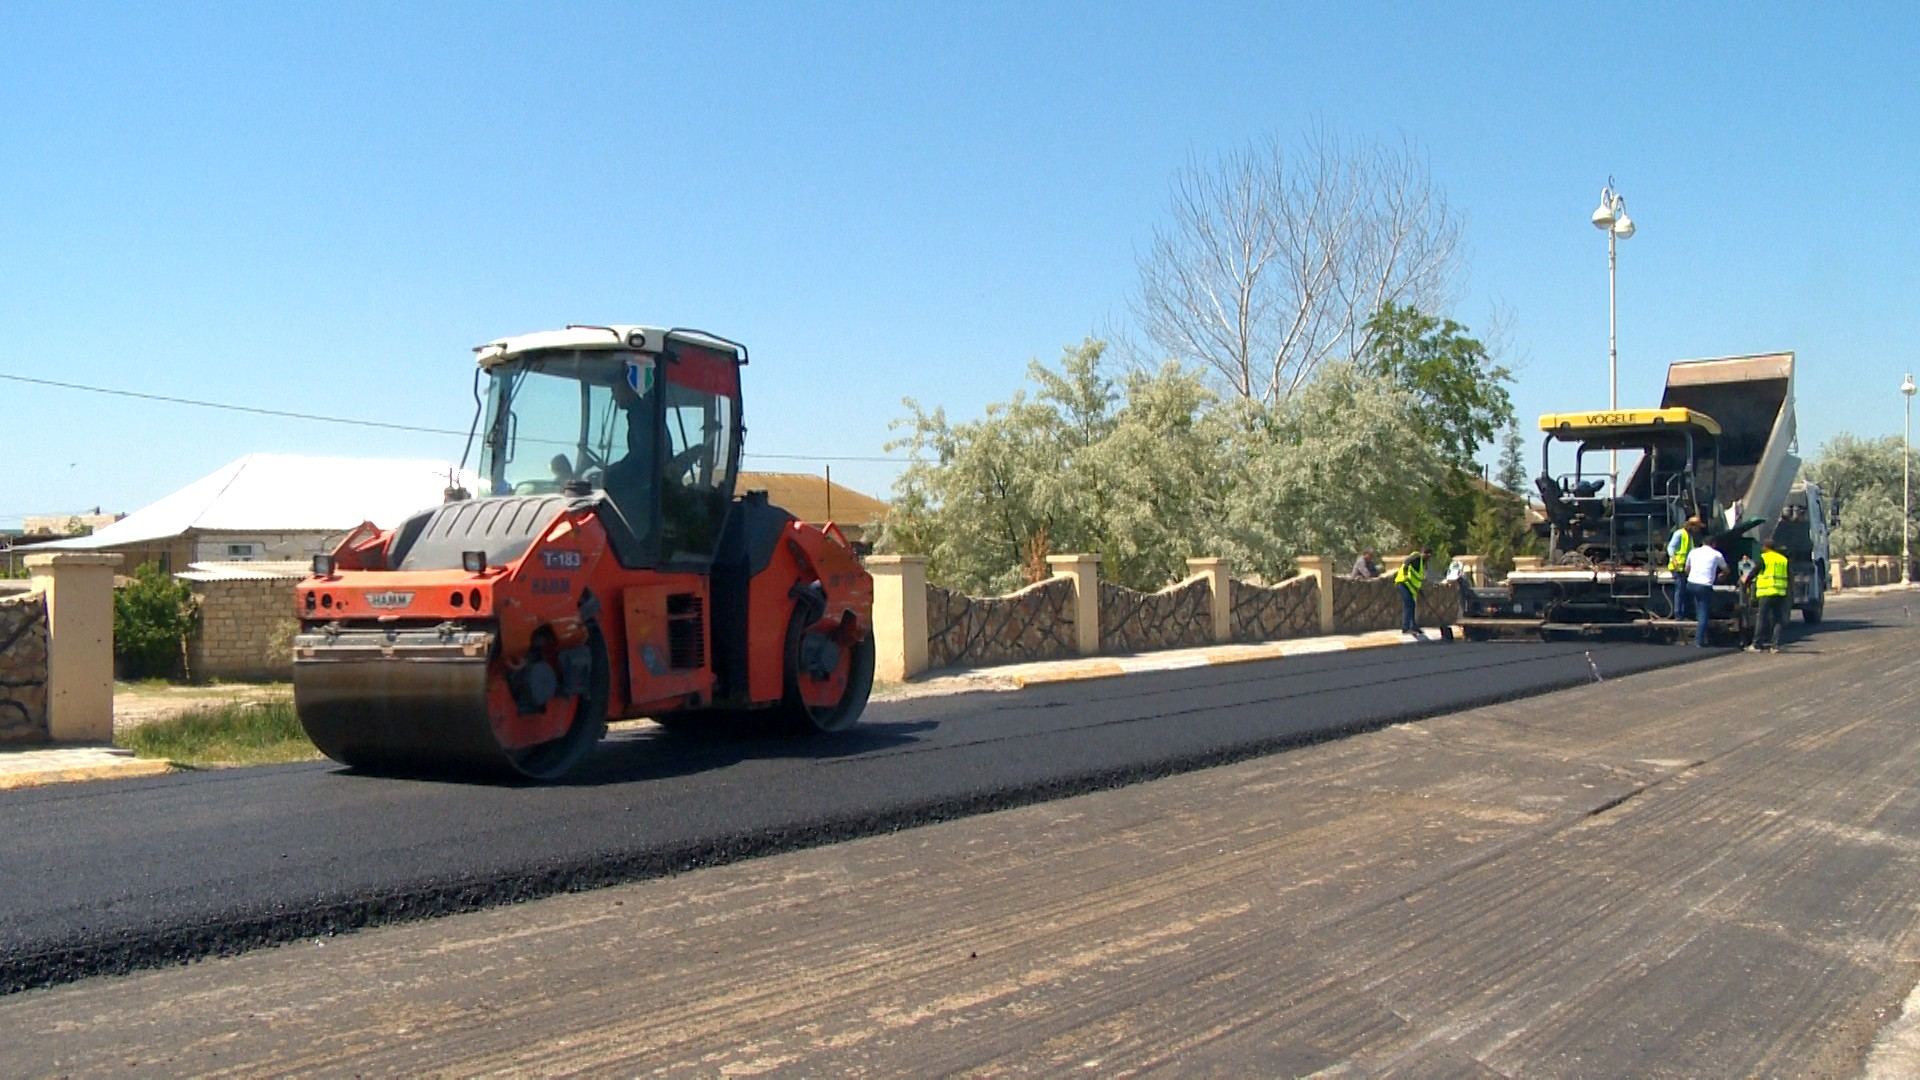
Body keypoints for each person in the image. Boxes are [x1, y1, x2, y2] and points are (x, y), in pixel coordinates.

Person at [1746, 537, 1792, 653]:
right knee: (1777, 619)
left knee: (1762, 618)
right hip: (1780, 593)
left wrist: (1745, 581)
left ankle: (1757, 644)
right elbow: (1790, 577)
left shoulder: (1764, 558)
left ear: (1765, 547)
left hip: (1766, 593)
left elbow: (1754, 572)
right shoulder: (1783, 559)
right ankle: (1775, 646)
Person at [1682, 537, 1728, 647]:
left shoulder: (1693, 552)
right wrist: (1721, 575)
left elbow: (1686, 569)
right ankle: (1699, 641)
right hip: (1705, 585)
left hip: (1691, 584)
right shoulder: (1716, 554)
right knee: (1704, 612)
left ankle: (1697, 629)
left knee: (1698, 607)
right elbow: (1726, 569)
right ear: (1714, 544)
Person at [1394, 546, 1433, 639]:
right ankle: (1406, 628)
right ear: (1425, 553)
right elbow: (1406, 562)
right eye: (1428, 555)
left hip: (1410, 586)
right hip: (1403, 583)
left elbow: (1417, 578)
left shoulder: (1422, 563)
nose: (1429, 557)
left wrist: (1419, 589)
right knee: (1409, 604)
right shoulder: (1416, 556)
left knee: (1412, 605)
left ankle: (1413, 626)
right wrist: (1406, 574)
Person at [1668, 517, 1702, 621]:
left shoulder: (1689, 536)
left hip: (1685, 568)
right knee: (1680, 589)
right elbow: (1671, 547)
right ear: (1692, 526)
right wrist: (1674, 560)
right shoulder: (1680, 533)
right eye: (1697, 527)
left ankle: (1684, 612)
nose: (1698, 530)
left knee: (1684, 590)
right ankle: (1678, 614)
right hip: (1678, 567)